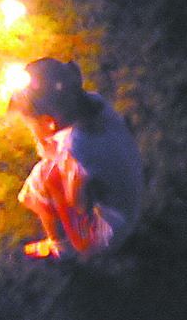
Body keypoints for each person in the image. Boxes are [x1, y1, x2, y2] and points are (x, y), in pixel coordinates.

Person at [10, 58, 143, 261]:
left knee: (44, 177)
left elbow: (77, 203)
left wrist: (63, 187)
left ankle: (59, 247)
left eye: (30, 125)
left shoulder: (74, 149)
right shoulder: (95, 103)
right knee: (56, 171)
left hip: (107, 234)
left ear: (50, 123)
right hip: (129, 207)